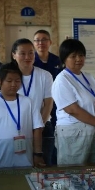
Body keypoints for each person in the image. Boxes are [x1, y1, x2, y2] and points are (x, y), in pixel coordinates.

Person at [51, 39, 95, 166]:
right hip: (74, 133)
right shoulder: (62, 80)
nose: (78, 59)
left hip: (94, 130)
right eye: (73, 56)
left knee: (94, 172)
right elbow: (72, 110)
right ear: (64, 59)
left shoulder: (89, 77)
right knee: (74, 172)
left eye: (81, 55)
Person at [0, 62, 44, 169]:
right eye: (9, 81)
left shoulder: (28, 102)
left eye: (17, 81)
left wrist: (38, 154)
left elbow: (37, 128)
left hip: (25, 159)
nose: (14, 84)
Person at [11, 39, 54, 141]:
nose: (27, 57)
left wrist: (38, 128)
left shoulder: (45, 75)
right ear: (14, 55)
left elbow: (48, 104)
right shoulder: (8, 77)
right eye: (22, 53)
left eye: (31, 53)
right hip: (14, 126)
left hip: (43, 125)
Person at [31, 30, 59, 166]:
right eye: (37, 40)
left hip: (56, 106)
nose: (40, 43)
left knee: (53, 143)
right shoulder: (31, 60)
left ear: (50, 42)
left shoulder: (57, 61)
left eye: (44, 39)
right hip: (38, 107)